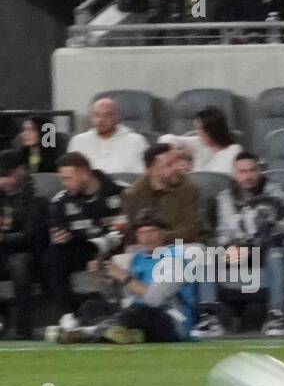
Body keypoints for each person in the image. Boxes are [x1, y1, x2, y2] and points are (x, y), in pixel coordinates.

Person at [56, 210, 198, 345]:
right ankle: (129, 334)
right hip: (137, 314)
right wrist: (106, 276)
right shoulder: (138, 259)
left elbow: (155, 300)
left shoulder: (175, 259)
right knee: (91, 307)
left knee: (140, 312)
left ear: (163, 233)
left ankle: (85, 332)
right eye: (142, 232)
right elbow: (129, 299)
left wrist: (123, 276)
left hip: (173, 320)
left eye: (152, 231)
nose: (147, 237)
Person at [215, 152, 284, 335]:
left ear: (259, 171)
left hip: (267, 250)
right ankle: (210, 317)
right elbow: (222, 233)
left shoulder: (276, 193)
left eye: (252, 170)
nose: (248, 176)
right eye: (242, 172)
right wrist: (231, 247)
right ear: (235, 174)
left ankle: (277, 315)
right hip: (237, 250)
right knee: (204, 256)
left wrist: (252, 245)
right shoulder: (225, 198)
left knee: (276, 254)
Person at [42, 153, 128, 323]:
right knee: (52, 256)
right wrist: (57, 237)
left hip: (117, 247)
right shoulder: (61, 201)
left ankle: (123, 311)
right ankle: (67, 316)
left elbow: (125, 231)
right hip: (83, 249)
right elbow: (60, 233)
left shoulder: (120, 191)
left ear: (84, 172)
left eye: (68, 178)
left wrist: (100, 256)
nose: (64, 184)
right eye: (62, 179)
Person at [122, 143, 212, 249]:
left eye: (177, 162)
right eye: (169, 165)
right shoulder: (133, 195)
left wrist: (159, 238)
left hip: (183, 245)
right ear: (152, 171)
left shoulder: (189, 189)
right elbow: (131, 234)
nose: (176, 168)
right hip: (145, 248)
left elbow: (193, 230)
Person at [0, 150, 49, 339]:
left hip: (30, 256)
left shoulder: (38, 200)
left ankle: (23, 330)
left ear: (22, 171)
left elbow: (30, 236)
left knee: (19, 263)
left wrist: (3, 238)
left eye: (7, 175)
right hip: (3, 255)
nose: (3, 181)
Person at [67, 99, 149, 176]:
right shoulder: (78, 141)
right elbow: (70, 175)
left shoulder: (136, 141)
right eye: (96, 115)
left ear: (117, 117)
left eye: (107, 115)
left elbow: (143, 176)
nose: (101, 120)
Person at [161, 107, 244, 175]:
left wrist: (190, 170)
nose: (197, 132)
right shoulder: (198, 142)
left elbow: (223, 176)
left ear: (212, 130)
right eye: (197, 128)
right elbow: (166, 138)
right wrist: (179, 152)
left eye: (200, 129)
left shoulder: (234, 150)